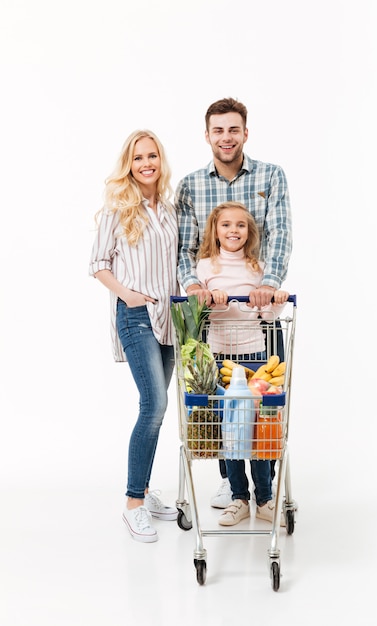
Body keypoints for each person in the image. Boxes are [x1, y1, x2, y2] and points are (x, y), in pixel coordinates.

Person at [175, 97, 292, 508]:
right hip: (216, 318)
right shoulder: (190, 185)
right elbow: (183, 250)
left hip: (257, 314)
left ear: (245, 132)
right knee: (220, 403)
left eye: (234, 129)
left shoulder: (270, 176)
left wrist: (270, 285)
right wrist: (196, 289)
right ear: (207, 135)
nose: (226, 138)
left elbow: (279, 235)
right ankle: (233, 483)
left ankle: (264, 489)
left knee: (263, 404)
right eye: (218, 130)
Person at [89, 129, 180, 543]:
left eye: (152, 156)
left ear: (160, 161)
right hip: (137, 316)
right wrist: (128, 294)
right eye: (139, 157)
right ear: (129, 163)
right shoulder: (118, 207)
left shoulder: (170, 207)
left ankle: (143, 490)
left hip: (170, 320)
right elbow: (98, 263)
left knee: (157, 411)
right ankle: (132, 504)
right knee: (154, 403)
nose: (146, 163)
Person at [196, 201, 289, 526]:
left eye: (240, 225)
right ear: (215, 230)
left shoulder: (257, 267)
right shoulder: (205, 267)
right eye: (226, 225)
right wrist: (212, 299)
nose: (233, 230)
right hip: (222, 358)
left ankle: (264, 497)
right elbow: (203, 312)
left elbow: (264, 315)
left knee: (257, 430)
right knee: (230, 431)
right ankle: (239, 498)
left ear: (249, 232)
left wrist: (274, 301)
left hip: (256, 357)